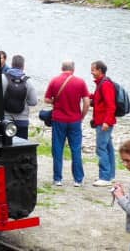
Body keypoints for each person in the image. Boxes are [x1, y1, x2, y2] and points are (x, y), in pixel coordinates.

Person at [44, 59, 90, 187]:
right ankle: (78, 179)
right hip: (74, 120)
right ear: (73, 69)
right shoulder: (80, 82)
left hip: (58, 119)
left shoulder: (54, 81)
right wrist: (82, 116)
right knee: (76, 149)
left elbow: (46, 99)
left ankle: (58, 179)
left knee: (58, 148)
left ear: (61, 68)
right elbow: (86, 102)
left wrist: (55, 102)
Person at [90, 60, 117, 186]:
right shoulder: (101, 83)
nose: (91, 72)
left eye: (93, 70)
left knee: (101, 148)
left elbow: (111, 105)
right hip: (103, 121)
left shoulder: (105, 84)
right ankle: (110, 175)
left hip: (104, 122)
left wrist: (107, 121)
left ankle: (105, 177)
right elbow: (98, 100)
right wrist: (87, 95)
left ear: (100, 71)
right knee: (108, 147)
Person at [2, 54, 38, 139]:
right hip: (22, 121)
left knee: (5, 146)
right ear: (23, 66)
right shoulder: (28, 81)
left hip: (6, 121)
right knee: (22, 146)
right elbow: (34, 102)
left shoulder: (2, 78)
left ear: (11, 64)